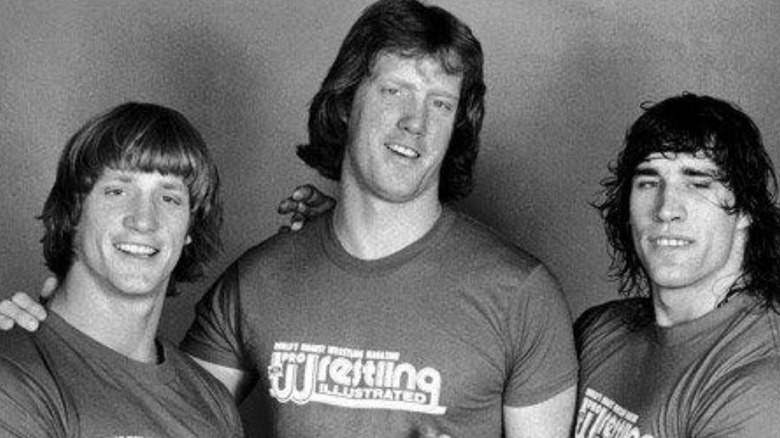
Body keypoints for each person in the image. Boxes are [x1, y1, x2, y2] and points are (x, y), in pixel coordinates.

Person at [1, 0, 578, 436]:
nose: (414, 123)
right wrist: (48, 328)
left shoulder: (522, 295)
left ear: (458, 127)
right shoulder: (259, 281)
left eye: (441, 103)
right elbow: (148, 398)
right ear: (348, 100)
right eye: (395, 91)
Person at [0, 102, 243, 437]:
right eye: (117, 191)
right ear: (74, 214)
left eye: (169, 198)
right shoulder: (14, 375)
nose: (144, 220)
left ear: (189, 230)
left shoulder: (212, 403)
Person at [574, 93, 780, 437]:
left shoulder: (762, 381)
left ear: (746, 209)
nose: (667, 208)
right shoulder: (598, 330)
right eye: (649, 182)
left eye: (698, 183)